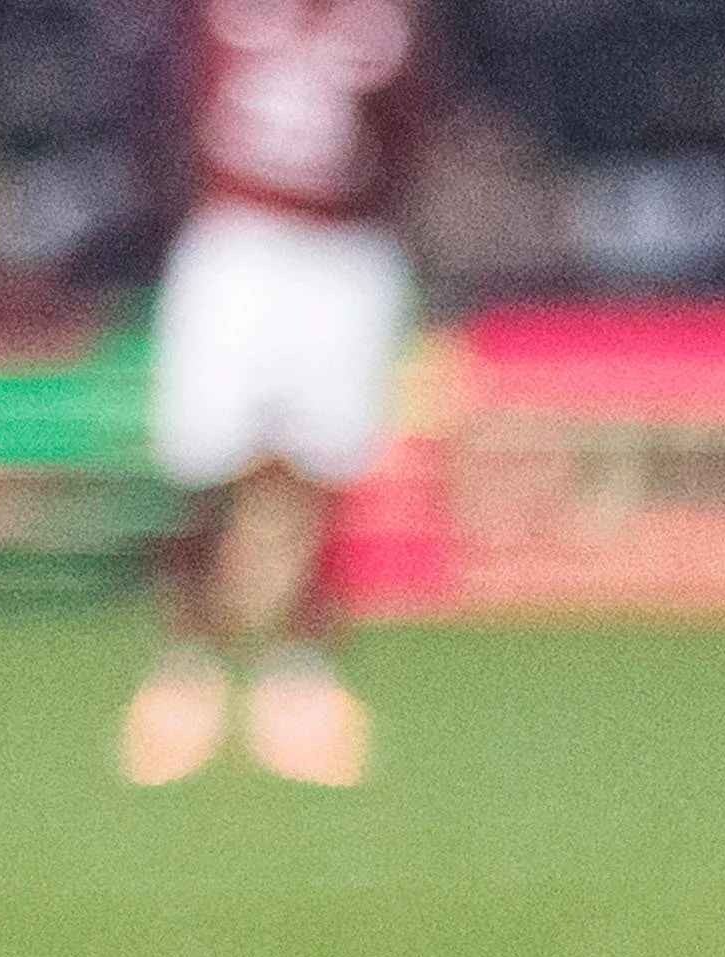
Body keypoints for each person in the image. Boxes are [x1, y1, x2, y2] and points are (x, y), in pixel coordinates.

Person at [122, 0, 439, 790]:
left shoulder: (389, 19)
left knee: (325, 464)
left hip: (347, 249)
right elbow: (159, 97)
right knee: (200, 457)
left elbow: (414, 128)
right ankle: (185, 670)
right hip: (239, 235)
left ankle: (300, 679)